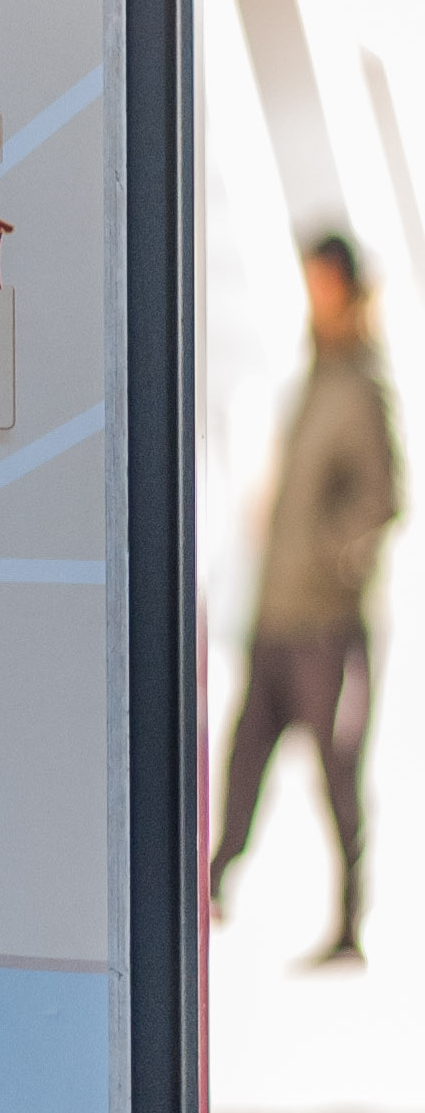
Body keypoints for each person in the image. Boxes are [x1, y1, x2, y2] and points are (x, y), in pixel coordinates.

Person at [209, 231, 402, 962]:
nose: (313, 297)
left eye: (322, 284)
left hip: (326, 623)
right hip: (277, 615)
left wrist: (328, 554)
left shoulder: (361, 386)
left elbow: (381, 499)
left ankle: (350, 925)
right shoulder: (314, 377)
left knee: (337, 774)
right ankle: (208, 890)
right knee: (243, 760)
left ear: (347, 290)